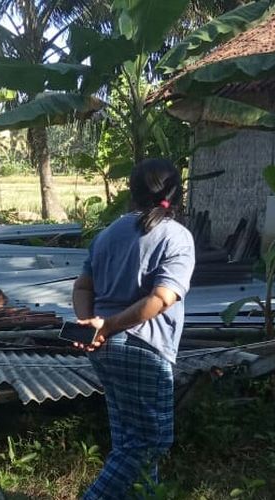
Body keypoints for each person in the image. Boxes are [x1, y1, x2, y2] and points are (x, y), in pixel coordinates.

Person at [72, 158, 195, 499]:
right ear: (177, 195)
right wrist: (107, 325)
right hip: (143, 348)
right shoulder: (177, 236)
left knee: (128, 438)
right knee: (148, 443)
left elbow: (82, 288)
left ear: (132, 193)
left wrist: (90, 325)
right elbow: (162, 299)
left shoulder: (107, 235)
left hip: (106, 349)